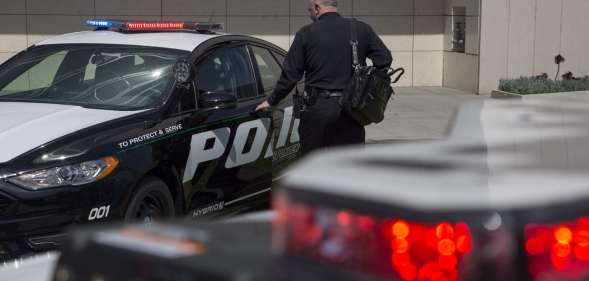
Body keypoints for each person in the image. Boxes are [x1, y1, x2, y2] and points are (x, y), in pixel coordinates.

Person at [256, 0, 392, 154]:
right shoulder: (361, 29)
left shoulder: (306, 33)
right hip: (351, 110)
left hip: (317, 109)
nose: (310, 14)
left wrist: (271, 100)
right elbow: (384, 59)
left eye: (309, 10)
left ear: (317, 7)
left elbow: (290, 75)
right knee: (350, 164)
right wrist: (365, 86)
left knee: (313, 163)